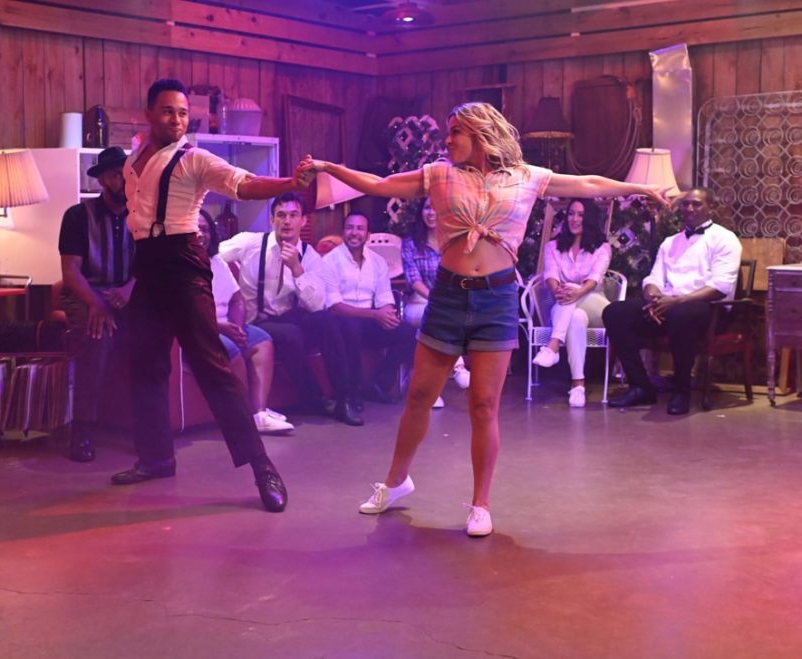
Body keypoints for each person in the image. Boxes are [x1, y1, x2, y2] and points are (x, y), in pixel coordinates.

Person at [302, 101, 668, 536]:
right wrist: (328, 167)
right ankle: (396, 482)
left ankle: (480, 504)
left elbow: (588, 183)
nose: (447, 140)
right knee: (419, 396)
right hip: (448, 297)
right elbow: (379, 185)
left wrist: (640, 189)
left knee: (483, 405)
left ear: (479, 133)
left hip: (497, 299)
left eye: (455, 131)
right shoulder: (439, 174)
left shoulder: (526, 177)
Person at [114, 78, 309, 513]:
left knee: (212, 366)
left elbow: (244, 183)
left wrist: (290, 182)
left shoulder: (194, 159)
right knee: (145, 364)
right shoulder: (133, 160)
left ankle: (262, 467)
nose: (177, 120)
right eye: (168, 111)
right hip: (147, 263)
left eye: (183, 113)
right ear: (149, 114)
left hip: (183, 263)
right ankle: (156, 458)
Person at [219, 192, 361, 426]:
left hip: (289, 317)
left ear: (303, 221)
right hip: (256, 320)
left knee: (329, 320)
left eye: (293, 215)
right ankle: (314, 399)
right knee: (290, 334)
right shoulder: (249, 243)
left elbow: (317, 305)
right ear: (272, 220)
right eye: (281, 215)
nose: (287, 221)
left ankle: (345, 398)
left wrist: (296, 269)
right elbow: (212, 253)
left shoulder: (310, 256)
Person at [603, 187, 742, 415]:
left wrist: (676, 302)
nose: (689, 208)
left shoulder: (725, 239)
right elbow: (654, 278)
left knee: (681, 314)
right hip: (668, 307)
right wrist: (653, 298)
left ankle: (681, 391)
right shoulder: (670, 242)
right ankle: (641, 387)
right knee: (615, 312)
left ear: (711, 208)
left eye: (696, 204)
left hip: (707, 310)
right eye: (686, 204)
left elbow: (721, 287)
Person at [57, 146, 136, 462]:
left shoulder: (142, 213)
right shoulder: (78, 216)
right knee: (97, 337)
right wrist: (96, 304)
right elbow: (70, 272)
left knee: (149, 336)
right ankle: (82, 431)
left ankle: (146, 427)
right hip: (86, 293)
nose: (124, 181)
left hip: (129, 293)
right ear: (102, 179)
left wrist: (130, 288)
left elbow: (151, 264)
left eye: (128, 174)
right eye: (117, 175)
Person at [198, 210, 293, 434]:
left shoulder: (217, 262)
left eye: (205, 229)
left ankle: (259, 414)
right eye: (195, 230)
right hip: (200, 329)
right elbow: (184, 312)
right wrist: (222, 328)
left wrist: (238, 327)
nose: (201, 234)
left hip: (226, 325)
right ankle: (241, 418)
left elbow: (237, 299)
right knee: (232, 348)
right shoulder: (177, 266)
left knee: (261, 340)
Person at [322, 213, 416, 422]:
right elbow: (334, 306)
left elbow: (384, 297)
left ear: (368, 234)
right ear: (343, 232)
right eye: (350, 227)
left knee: (408, 332)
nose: (354, 233)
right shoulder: (329, 261)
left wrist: (388, 314)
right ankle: (353, 392)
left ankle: (378, 384)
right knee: (351, 327)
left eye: (360, 228)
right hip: (342, 321)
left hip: (370, 320)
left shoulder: (377, 262)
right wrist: (375, 314)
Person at [530, 199, 613, 407]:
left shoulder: (602, 248)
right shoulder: (552, 247)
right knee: (575, 317)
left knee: (572, 291)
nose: (574, 219)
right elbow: (550, 275)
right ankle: (578, 385)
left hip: (595, 304)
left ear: (589, 219)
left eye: (581, 215)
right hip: (567, 305)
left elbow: (595, 278)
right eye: (571, 214)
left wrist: (576, 292)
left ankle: (553, 346)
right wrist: (558, 291)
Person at [401, 197, 471, 408]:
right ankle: (458, 367)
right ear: (421, 212)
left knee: (437, 323)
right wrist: (436, 299)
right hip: (418, 303)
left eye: (436, 208)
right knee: (434, 316)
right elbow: (414, 280)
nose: (431, 213)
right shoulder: (411, 243)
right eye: (427, 208)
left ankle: (431, 393)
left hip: (448, 306)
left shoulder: (453, 242)